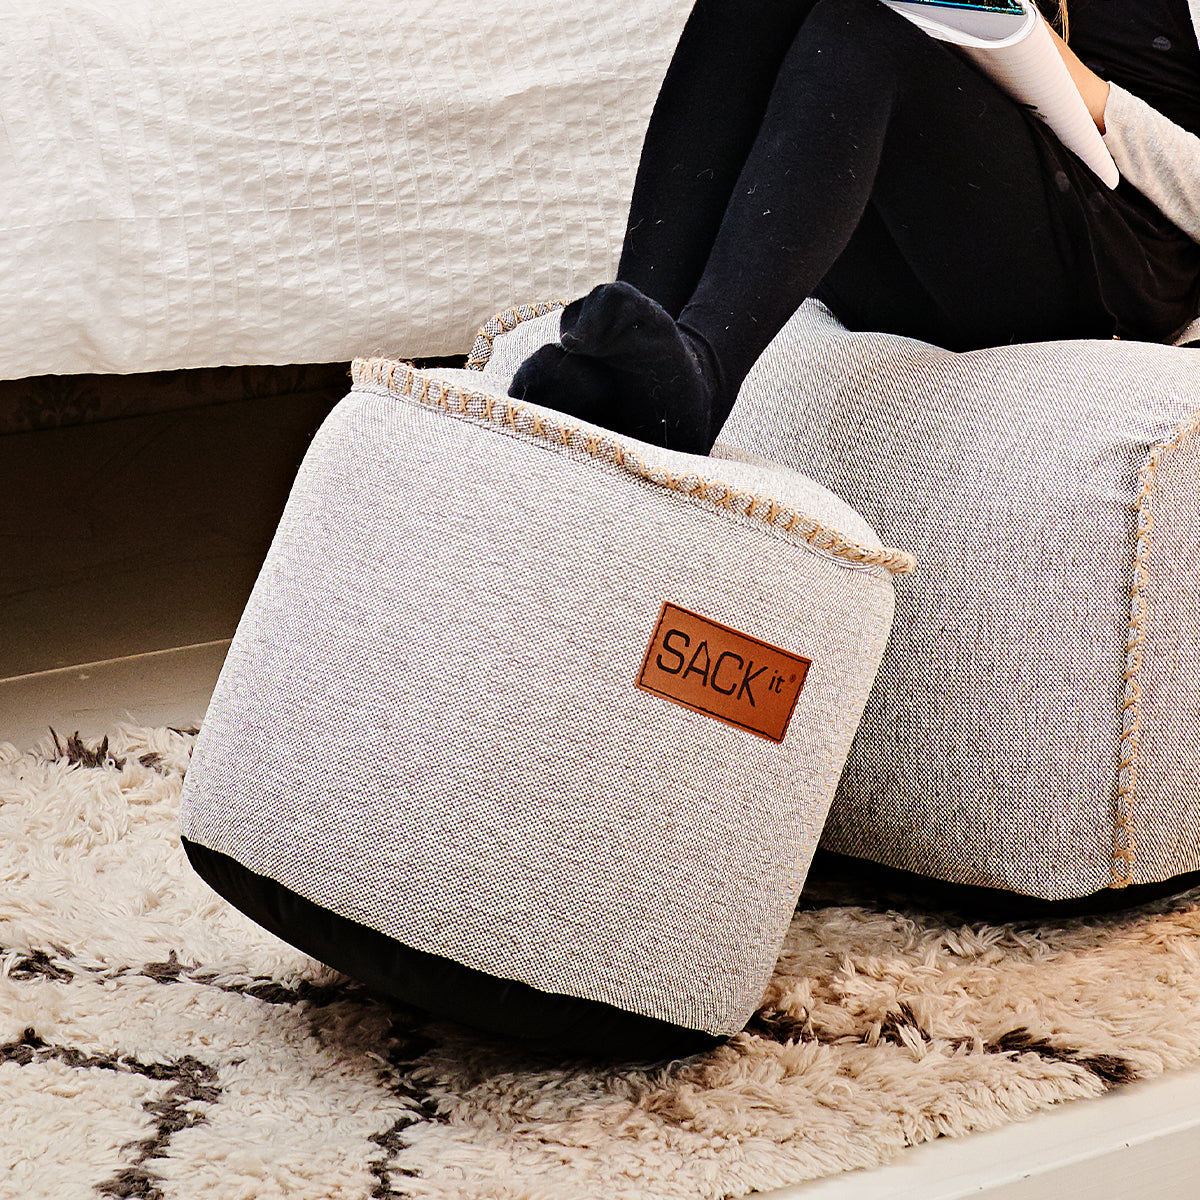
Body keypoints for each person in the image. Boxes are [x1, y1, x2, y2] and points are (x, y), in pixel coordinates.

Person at [509, 0, 1200, 455]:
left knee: (859, 35)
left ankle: (704, 379)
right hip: (943, 223)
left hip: (1124, 268)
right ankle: (637, 356)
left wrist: (1091, 96)